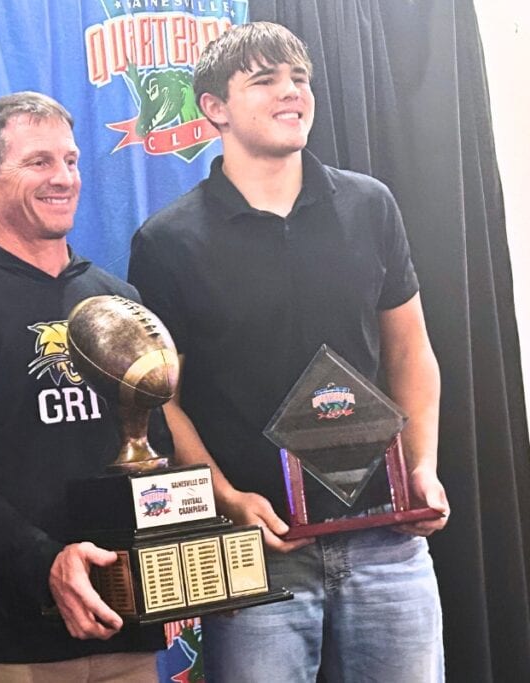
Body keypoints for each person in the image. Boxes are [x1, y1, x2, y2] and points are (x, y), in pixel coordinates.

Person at [127, 22, 450, 682]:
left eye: (299, 78)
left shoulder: (370, 204)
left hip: (387, 539)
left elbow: (410, 349)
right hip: (257, 554)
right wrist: (227, 497)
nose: (290, 92)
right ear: (213, 107)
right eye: (264, 79)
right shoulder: (168, 241)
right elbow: (165, 405)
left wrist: (421, 466)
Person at [0, 92, 165, 682]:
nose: (63, 178)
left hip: (129, 627)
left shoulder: (120, 302)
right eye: (39, 162)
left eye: (70, 161)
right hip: (12, 643)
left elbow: (153, 450)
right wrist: (47, 563)